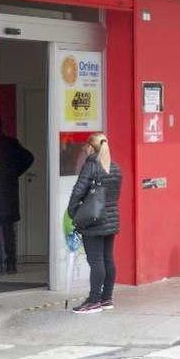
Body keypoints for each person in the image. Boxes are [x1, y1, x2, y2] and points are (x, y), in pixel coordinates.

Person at [68, 133, 123, 314]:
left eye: (86, 146)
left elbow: (78, 192)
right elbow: (115, 195)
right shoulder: (115, 168)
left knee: (96, 260)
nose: (85, 149)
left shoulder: (91, 166)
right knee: (108, 259)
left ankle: (93, 301)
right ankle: (106, 298)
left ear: (91, 147)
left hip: (93, 220)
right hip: (111, 219)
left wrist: (73, 212)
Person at [0, 118, 34, 275]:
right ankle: (11, 263)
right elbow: (29, 157)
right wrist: (15, 173)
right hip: (8, 192)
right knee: (8, 229)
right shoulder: (11, 143)